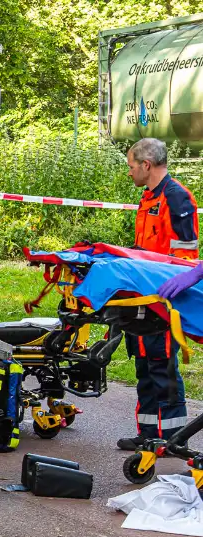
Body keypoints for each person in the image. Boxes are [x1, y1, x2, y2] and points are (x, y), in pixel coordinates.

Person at [115, 138, 199, 451]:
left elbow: (184, 260)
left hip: (164, 301)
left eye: (132, 166)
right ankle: (148, 433)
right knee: (144, 365)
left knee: (163, 366)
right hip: (143, 297)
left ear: (146, 165)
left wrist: (168, 297)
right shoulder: (150, 198)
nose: (130, 172)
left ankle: (174, 437)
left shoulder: (176, 199)